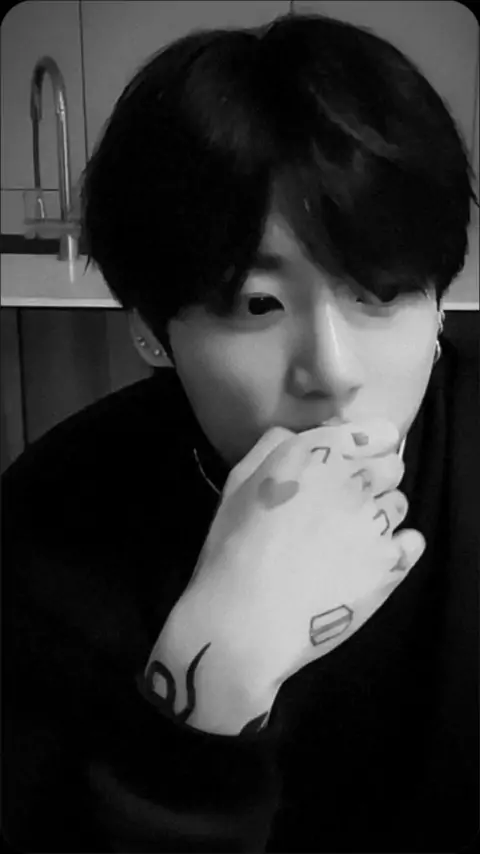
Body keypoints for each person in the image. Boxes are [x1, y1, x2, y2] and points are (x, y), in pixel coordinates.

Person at [2, 10, 478, 853]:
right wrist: (213, 680)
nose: (332, 369)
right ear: (152, 329)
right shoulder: (50, 526)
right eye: (259, 304)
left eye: (380, 291)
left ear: (439, 301)